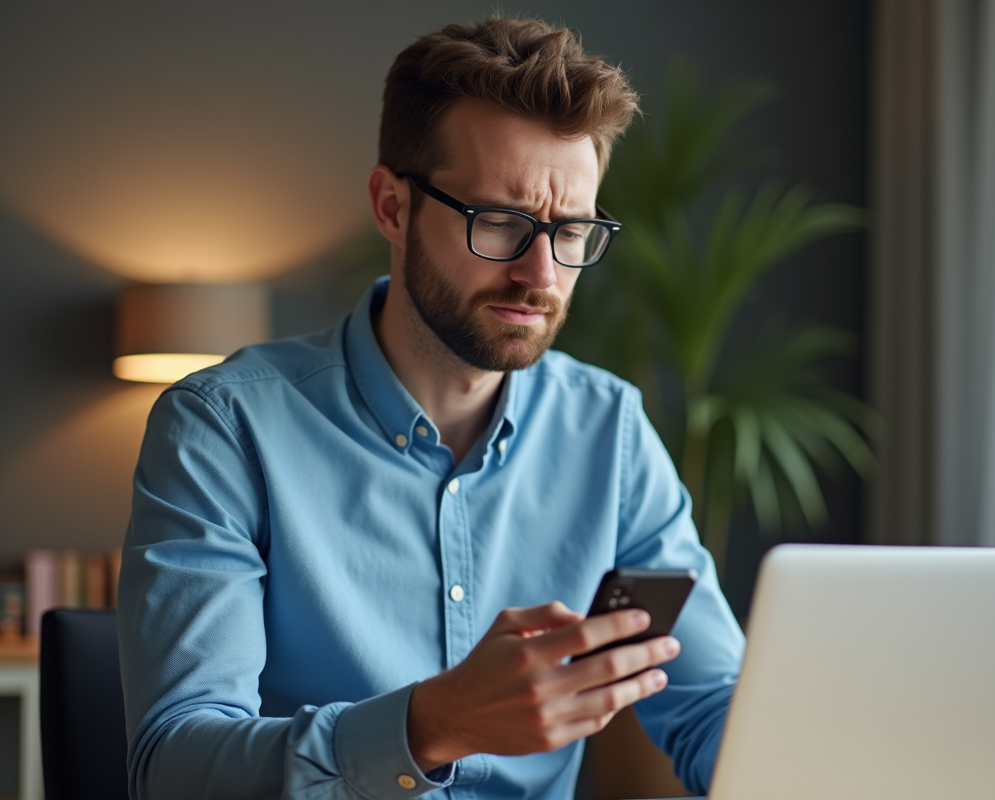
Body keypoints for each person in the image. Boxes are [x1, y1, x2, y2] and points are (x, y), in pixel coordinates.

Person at [118, 16, 745, 800]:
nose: (541, 275)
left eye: (571, 231)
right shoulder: (223, 428)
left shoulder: (609, 432)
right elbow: (175, 769)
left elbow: (714, 710)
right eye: (503, 223)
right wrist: (429, 725)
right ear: (392, 206)